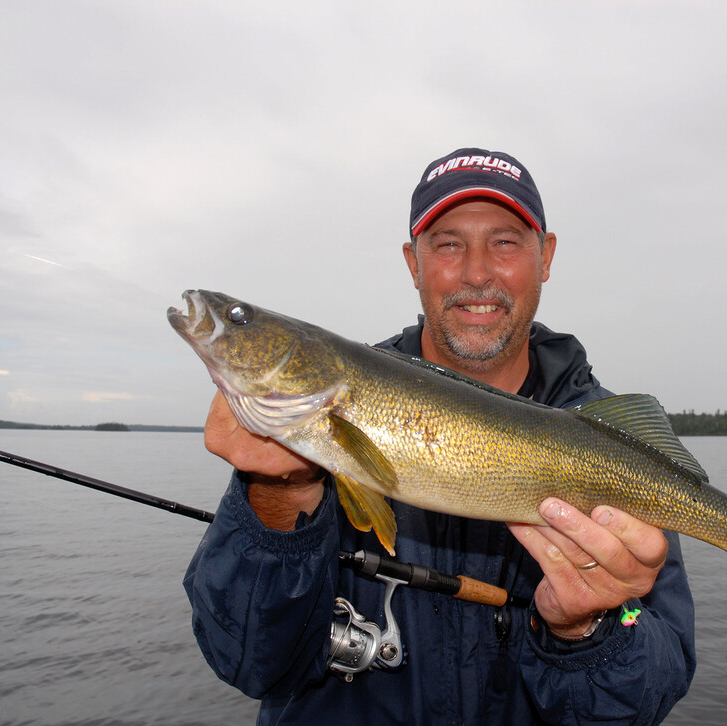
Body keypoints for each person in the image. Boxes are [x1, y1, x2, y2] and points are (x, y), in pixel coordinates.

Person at [184, 148, 696, 724]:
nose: (477, 271)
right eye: (448, 244)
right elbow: (249, 663)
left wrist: (592, 626)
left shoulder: (609, 443)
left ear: (545, 256)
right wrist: (278, 495)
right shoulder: (300, 440)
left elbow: (651, 695)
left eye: (504, 241)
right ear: (413, 262)